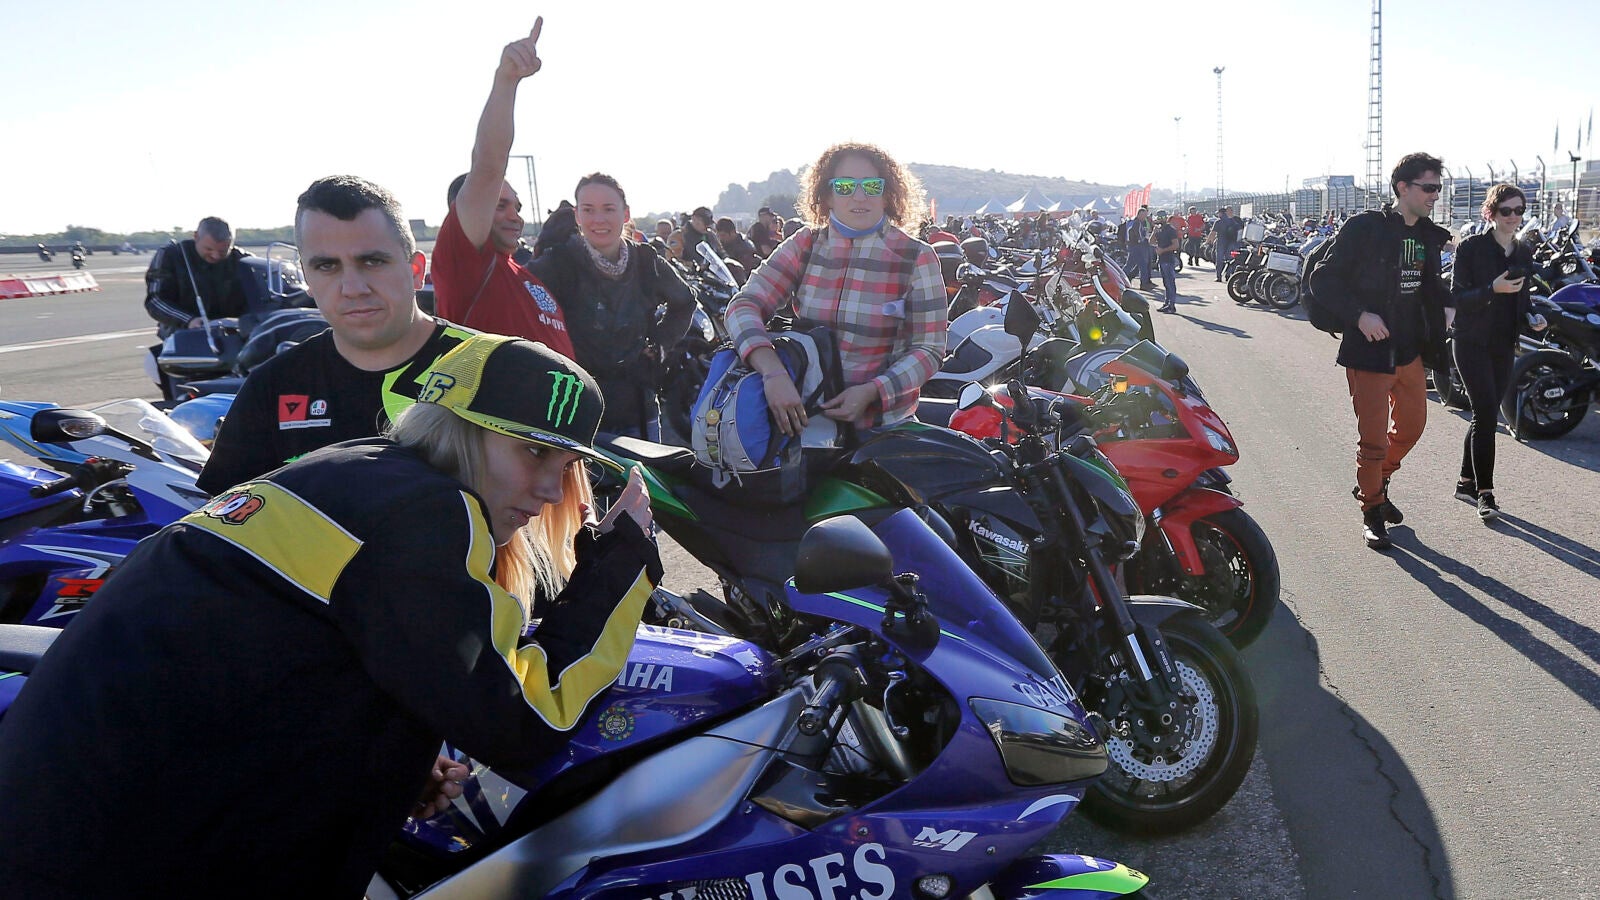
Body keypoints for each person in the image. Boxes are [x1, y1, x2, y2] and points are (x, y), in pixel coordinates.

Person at [0, 331, 662, 898]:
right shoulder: (430, 511)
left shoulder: (353, 472)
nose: (550, 490)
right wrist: (621, 567)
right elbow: (526, 720)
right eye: (532, 451)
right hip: (128, 860)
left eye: (567, 464)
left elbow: (269, 670)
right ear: (458, 430)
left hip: (68, 833)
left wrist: (385, 761)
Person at [197, 175, 476, 495]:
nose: (353, 288)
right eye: (327, 266)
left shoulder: (491, 367)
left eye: (372, 261)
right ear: (307, 278)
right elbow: (225, 515)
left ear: (416, 270)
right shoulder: (272, 387)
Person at [724, 141, 945, 436]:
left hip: (882, 427)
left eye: (872, 186)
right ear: (827, 195)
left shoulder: (916, 256)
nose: (859, 196)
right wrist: (772, 371)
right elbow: (744, 305)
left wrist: (874, 390)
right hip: (804, 423)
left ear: (888, 194)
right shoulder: (805, 244)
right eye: (844, 186)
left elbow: (929, 348)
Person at [1308, 152, 1454, 549]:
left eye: (1438, 188)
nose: (1435, 195)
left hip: (1409, 352)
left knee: (1412, 428)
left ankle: (1376, 480)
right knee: (1372, 441)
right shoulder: (1365, 228)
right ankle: (1372, 510)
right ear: (1402, 187)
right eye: (1429, 187)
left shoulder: (1427, 236)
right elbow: (1324, 278)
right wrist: (1359, 316)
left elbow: (1431, 286)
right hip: (1369, 354)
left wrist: (1449, 305)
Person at [430, 18, 574, 358]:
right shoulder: (465, 266)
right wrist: (506, 81)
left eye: (517, 207)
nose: (515, 216)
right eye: (500, 205)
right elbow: (488, 166)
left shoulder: (522, 274)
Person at [527, 173, 695, 440]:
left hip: (638, 406)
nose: (599, 219)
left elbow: (685, 302)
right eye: (588, 210)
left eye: (608, 209)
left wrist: (659, 344)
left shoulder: (646, 261)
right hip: (577, 409)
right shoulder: (556, 265)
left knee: (645, 467)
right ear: (577, 215)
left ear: (625, 214)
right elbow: (521, 308)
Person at [1449, 184, 1548, 519]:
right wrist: (1492, 289)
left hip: (1504, 342)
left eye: (1519, 210)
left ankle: (1465, 481)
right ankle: (1485, 493)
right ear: (1491, 213)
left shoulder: (1522, 251)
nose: (1513, 217)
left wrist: (1532, 317)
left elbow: (1523, 298)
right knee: (1486, 415)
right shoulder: (1471, 248)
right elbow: (1457, 298)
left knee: (1486, 412)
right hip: (1470, 341)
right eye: (1506, 210)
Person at [143, 216, 252, 337]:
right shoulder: (171, 256)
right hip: (181, 333)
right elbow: (156, 300)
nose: (215, 256)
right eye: (209, 249)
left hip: (235, 334)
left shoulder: (244, 261)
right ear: (196, 237)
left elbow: (262, 298)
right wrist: (188, 320)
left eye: (223, 251)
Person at [1152, 210, 1181, 313]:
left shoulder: (1170, 229)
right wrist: (1154, 232)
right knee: (1166, 283)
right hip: (1161, 259)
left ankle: (1171, 305)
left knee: (1170, 283)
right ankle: (1167, 303)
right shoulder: (1159, 229)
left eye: (1162, 217)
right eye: (1159, 218)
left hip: (1168, 259)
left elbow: (1176, 245)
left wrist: (1163, 250)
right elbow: (1151, 241)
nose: (1160, 220)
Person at [1126, 206, 1155, 290]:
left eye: (1145, 215)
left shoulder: (1141, 222)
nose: (1144, 217)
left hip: (1136, 246)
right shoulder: (1137, 223)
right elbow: (1139, 236)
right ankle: (1144, 284)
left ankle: (1123, 279)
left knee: (1130, 265)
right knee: (1142, 265)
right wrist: (1145, 238)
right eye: (1143, 215)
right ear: (1138, 214)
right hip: (1137, 246)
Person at [1213, 206, 1241, 281]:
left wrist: (1207, 242)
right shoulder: (1234, 221)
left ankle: (1219, 276)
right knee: (1230, 260)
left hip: (1221, 242)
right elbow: (1239, 231)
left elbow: (1213, 233)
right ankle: (1228, 276)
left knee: (1219, 260)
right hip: (1232, 242)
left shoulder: (1218, 222)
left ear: (1221, 213)